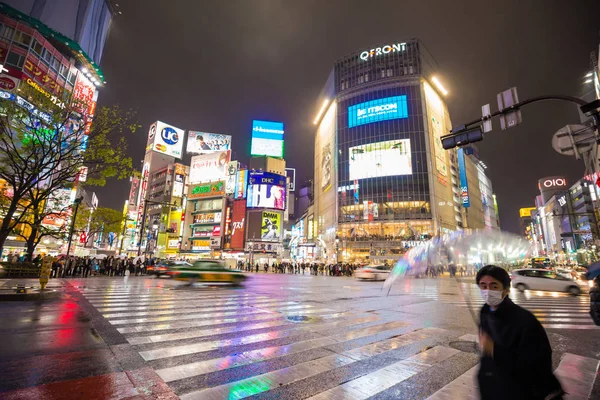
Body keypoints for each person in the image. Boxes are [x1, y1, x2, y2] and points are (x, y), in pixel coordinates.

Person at [476, 265, 563, 400]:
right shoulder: (485, 312)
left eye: (494, 286)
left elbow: (537, 364)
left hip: (517, 392)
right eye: (483, 286)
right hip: (492, 387)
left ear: (506, 289)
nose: (487, 291)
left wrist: (494, 350)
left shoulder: (525, 320)